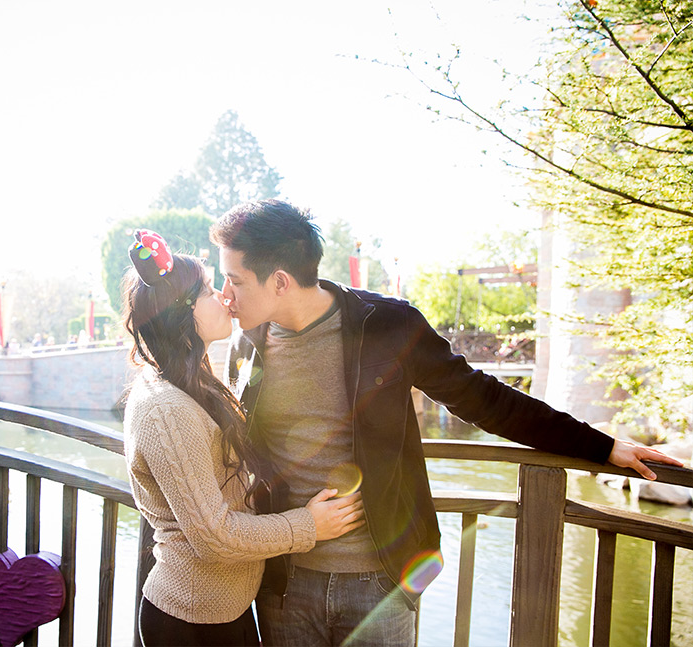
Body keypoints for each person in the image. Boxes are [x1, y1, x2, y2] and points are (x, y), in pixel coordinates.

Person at [208, 199, 683, 647]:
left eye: (235, 280)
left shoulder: (389, 326)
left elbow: (486, 400)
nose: (225, 294)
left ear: (281, 282)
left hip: (382, 582)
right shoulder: (249, 342)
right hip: (284, 583)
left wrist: (601, 447)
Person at [121, 228, 365, 647]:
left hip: (222, 612)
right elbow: (214, 536)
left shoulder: (192, 379)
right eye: (211, 291)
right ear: (183, 313)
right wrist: (308, 525)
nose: (225, 298)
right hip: (191, 622)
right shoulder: (166, 408)